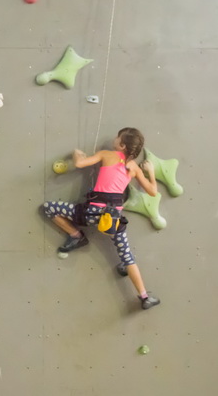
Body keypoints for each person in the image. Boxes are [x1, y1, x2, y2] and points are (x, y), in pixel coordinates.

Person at [42, 128, 161, 310]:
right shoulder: (134, 168)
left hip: (91, 214)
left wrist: (76, 153)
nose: (114, 139)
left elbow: (81, 163)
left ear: (121, 145)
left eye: (117, 138)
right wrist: (150, 172)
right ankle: (144, 296)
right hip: (113, 221)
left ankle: (76, 235)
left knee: (50, 208)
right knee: (128, 257)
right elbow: (153, 191)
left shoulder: (107, 154)